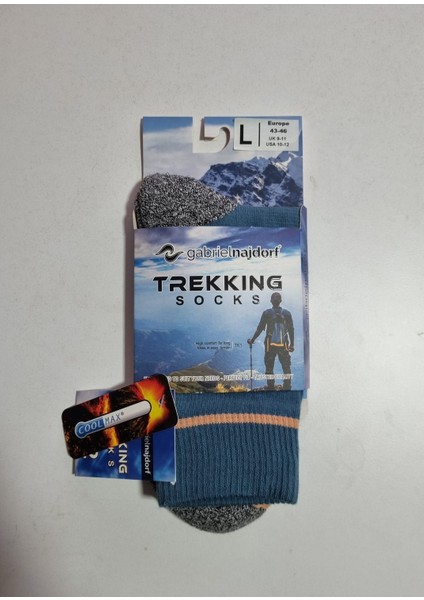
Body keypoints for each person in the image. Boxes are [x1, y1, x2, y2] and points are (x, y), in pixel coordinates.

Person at [247, 292, 294, 390]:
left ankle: (271, 386)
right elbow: (291, 329)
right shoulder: (287, 313)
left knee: (269, 367)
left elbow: (260, 328)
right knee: (286, 367)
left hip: (270, 345)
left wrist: (252, 340)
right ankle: (287, 386)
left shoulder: (267, 313)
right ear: (281, 301)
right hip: (284, 345)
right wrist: (292, 344)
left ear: (271, 301)